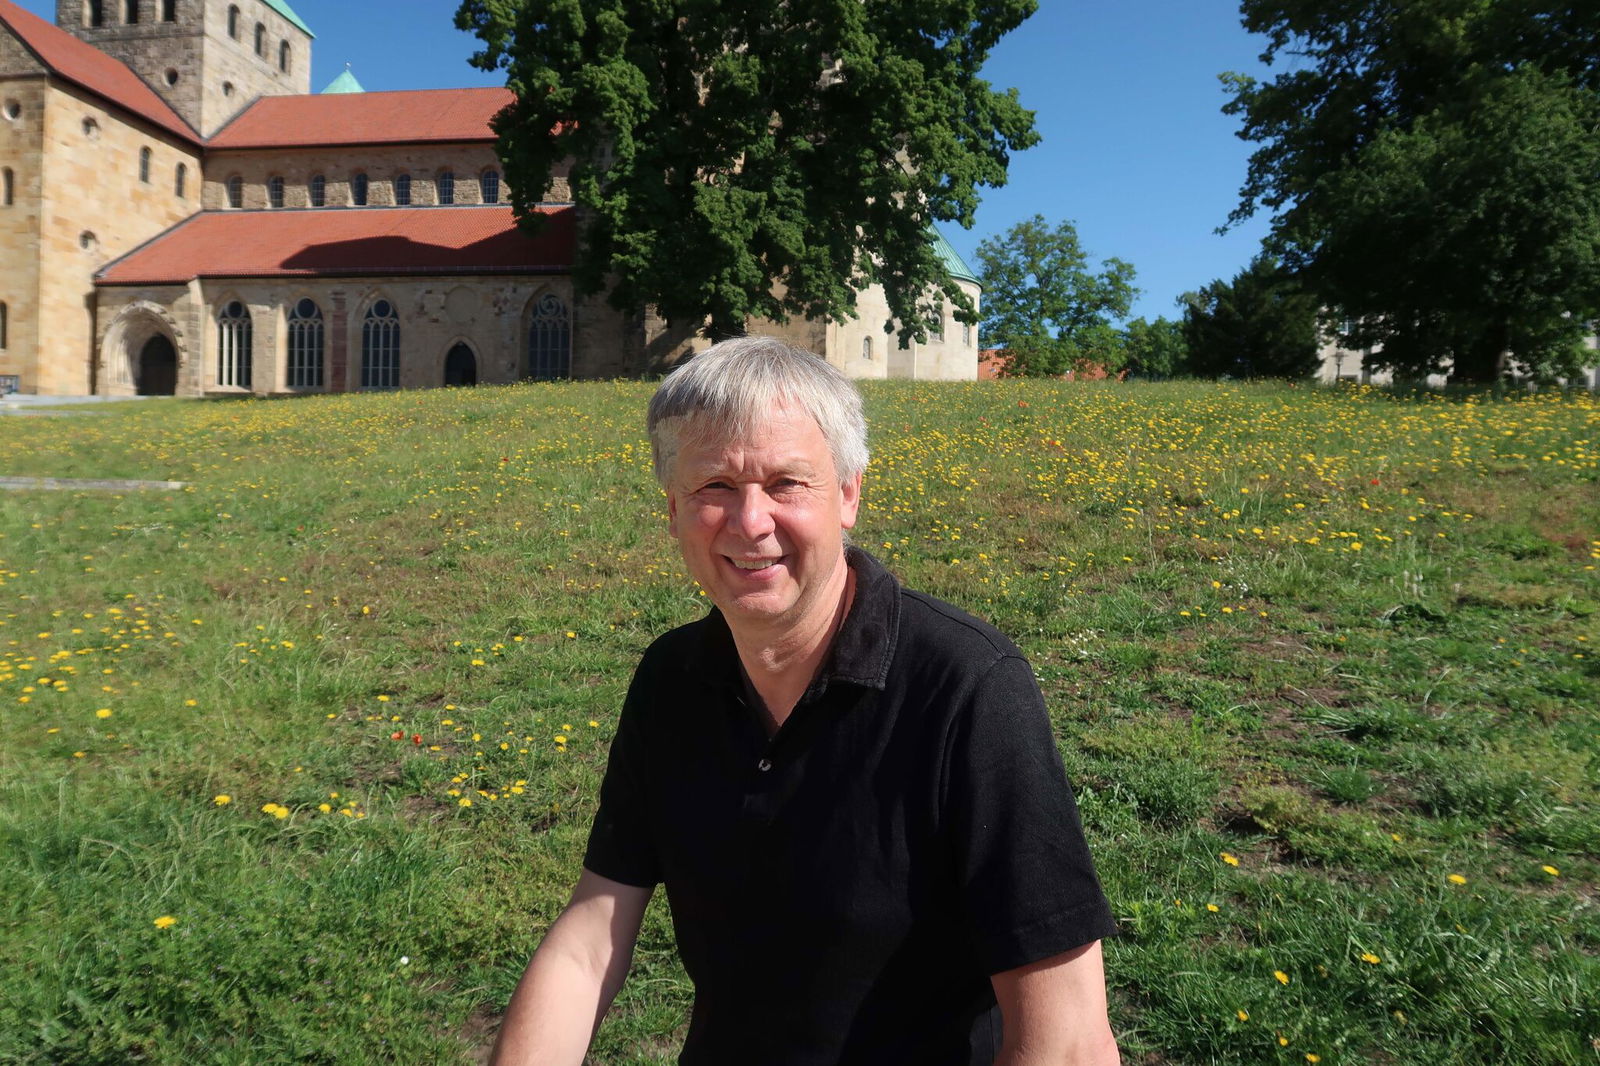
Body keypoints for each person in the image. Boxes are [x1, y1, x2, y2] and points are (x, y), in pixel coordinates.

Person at [490, 336, 1119, 1066]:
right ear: (671, 509)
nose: (750, 521)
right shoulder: (671, 679)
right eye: (714, 487)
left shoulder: (968, 687)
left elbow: (1068, 1042)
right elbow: (589, 940)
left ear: (849, 494)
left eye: (787, 483)